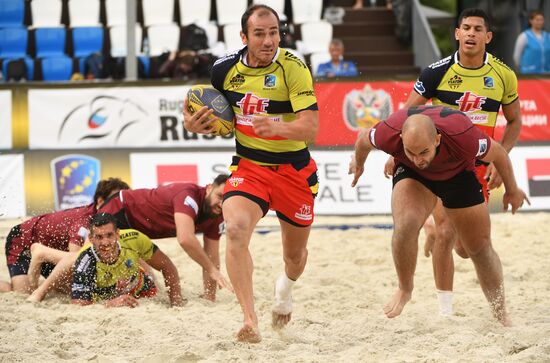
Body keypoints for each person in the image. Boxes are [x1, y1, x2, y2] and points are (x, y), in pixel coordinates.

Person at [183, 4, 319, 343]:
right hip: (249, 167)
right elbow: (199, 107)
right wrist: (191, 123)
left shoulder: (294, 68)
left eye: (274, 32)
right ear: (244, 37)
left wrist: (277, 126)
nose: (269, 40)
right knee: (237, 230)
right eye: (260, 34)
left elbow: (311, 127)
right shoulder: (224, 69)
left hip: (294, 171)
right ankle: (249, 319)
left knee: (295, 257)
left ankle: (284, 291)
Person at [388, 8, 522, 316]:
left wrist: (499, 158)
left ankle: (432, 230)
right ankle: (445, 312)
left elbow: (514, 121)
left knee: (467, 248)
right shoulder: (436, 72)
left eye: (478, 29)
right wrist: (398, 153)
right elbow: (406, 116)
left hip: (478, 163)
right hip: (441, 163)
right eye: (466, 28)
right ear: (457, 34)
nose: (472, 33)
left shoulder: (503, 75)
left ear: (488, 37)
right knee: (448, 232)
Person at [350, 105, 529, 326]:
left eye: (423, 152)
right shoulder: (391, 132)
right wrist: (358, 164)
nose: (418, 158)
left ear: (437, 140)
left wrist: (512, 190)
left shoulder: (462, 136)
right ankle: (405, 289)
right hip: (413, 176)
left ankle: (501, 313)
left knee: (477, 249)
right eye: (410, 151)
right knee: (406, 224)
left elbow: (499, 154)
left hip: (457, 175)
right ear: (401, 139)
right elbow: (362, 140)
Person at [97, 175, 232, 302]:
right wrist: (212, 270)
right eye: (219, 196)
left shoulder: (217, 214)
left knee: (166, 269)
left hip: (137, 232)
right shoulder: (189, 195)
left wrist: (210, 296)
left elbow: (211, 255)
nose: (221, 204)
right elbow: (185, 238)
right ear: (209, 188)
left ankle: (177, 306)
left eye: (227, 200)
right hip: (120, 210)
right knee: (93, 259)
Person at [0, 178, 130, 294]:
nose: (120, 205)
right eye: (115, 200)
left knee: (69, 290)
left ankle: (41, 260)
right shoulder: (86, 220)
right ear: (100, 201)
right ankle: (40, 254)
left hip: (51, 249)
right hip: (23, 239)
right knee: (22, 292)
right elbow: (76, 257)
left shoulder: (107, 221)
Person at [71, 213, 183, 307]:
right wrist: (110, 304)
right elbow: (80, 306)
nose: (105, 243)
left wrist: (176, 304)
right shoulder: (85, 260)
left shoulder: (134, 238)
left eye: (109, 235)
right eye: (99, 237)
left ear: (117, 234)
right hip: (109, 304)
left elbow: (167, 266)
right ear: (91, 239)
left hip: (143, 292)